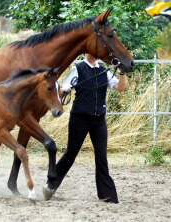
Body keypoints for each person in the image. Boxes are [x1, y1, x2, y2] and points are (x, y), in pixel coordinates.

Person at [44, 54, 126, 204]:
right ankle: (51, 185)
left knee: (101, 158)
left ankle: (107, 196)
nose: (94, 54)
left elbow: (120, 88)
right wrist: (65, 88)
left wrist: (123, 72)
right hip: (80, 118)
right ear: (86, 53)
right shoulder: (78, 69)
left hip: (99, 120)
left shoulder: (103, 71)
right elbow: (60, 92)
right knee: (71, 154)